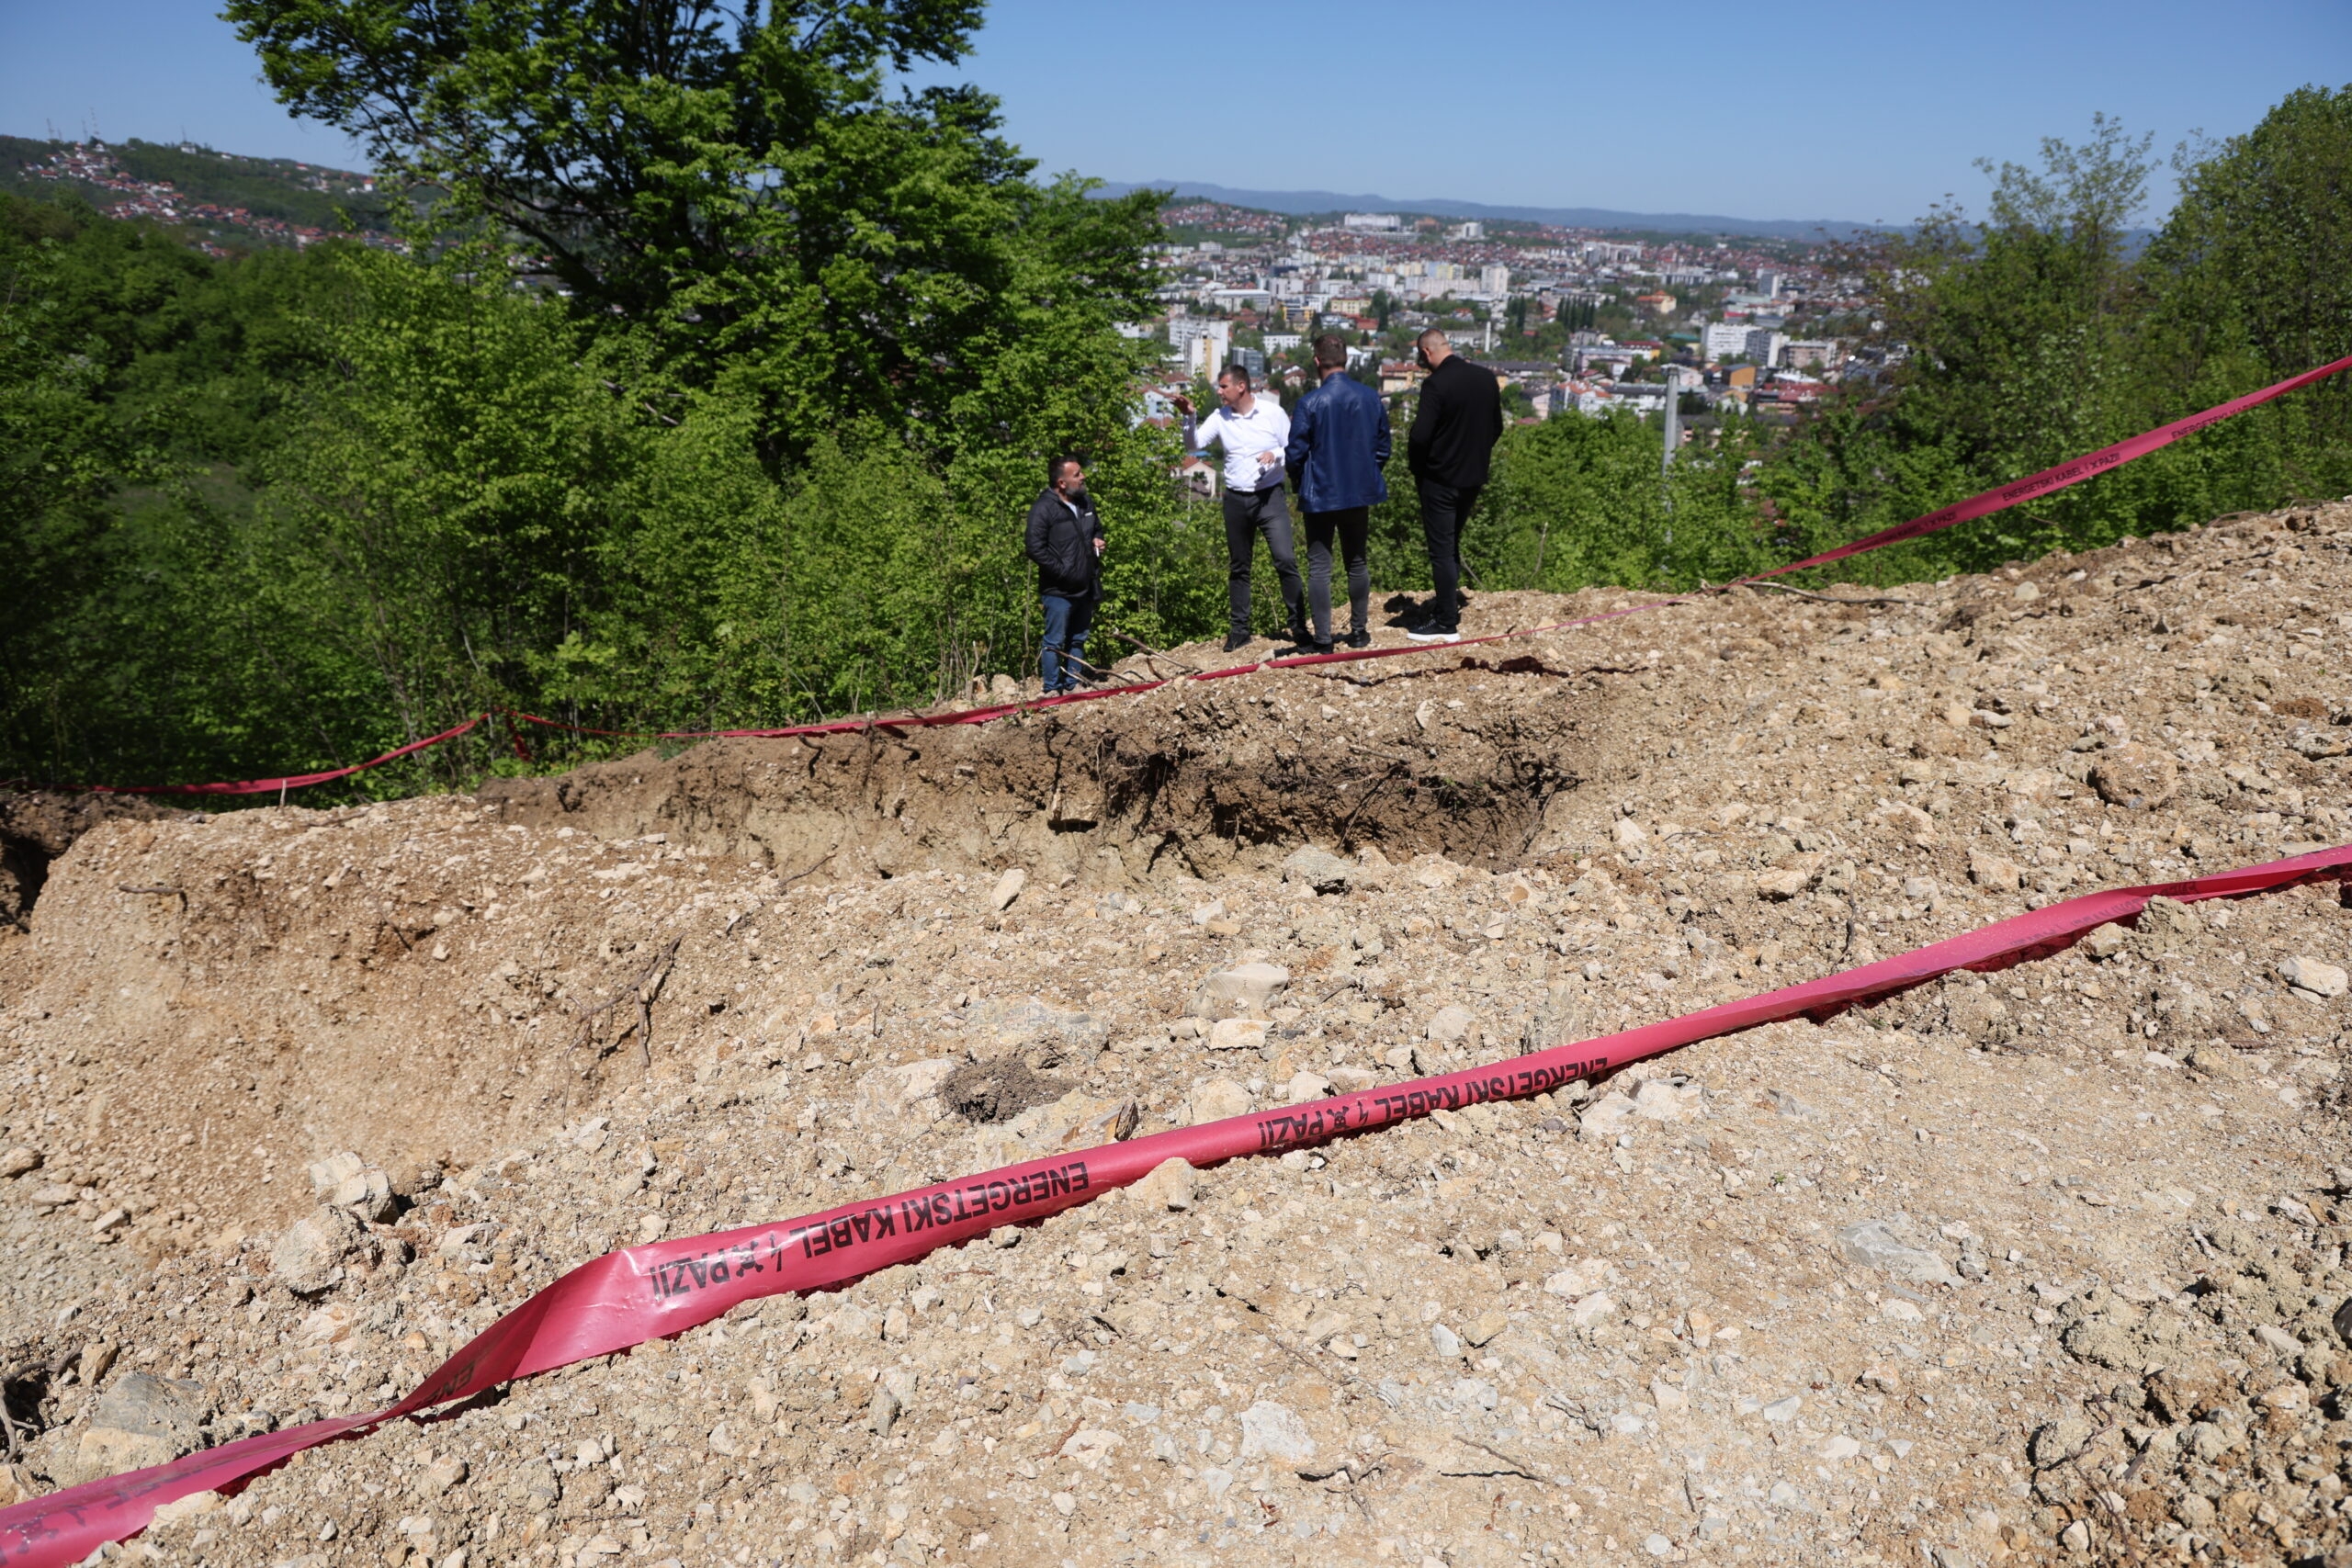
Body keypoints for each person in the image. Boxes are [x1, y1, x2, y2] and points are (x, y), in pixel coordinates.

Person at [1172, 366, 1309, 653]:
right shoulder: (1220, 417)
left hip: (1270, 498)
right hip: (1235, 499)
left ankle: (1299, 626)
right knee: (1239, 567)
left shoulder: (1273, 413)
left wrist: (1277, 454)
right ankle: (1239, 631)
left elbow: (1294, 447)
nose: (1219, 392)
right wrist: (1189, 416)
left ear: (1241, 387)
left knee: (1285, 559)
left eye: (1223, 387)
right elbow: (1193, 445)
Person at [1283, 333, 1390, 652]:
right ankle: (1358, 633)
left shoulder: (1310, 403)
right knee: (1357, 562)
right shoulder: (1370, 398)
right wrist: (1366, 476)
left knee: (1320, 567)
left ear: (1317, 361)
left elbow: (1295, 454)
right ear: (1346, 359)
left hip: (1320, 496)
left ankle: (1324, 640)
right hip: (1359, 493)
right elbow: (1383, 448)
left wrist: (1300, 482)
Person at [1405, 328, 1504, 643]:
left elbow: (1420, 436)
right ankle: (1447, 605)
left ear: (1426, 353)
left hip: (1440, 479)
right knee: (1452, 543)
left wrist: (1418, 467)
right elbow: (1496, 426)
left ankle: (1446, 622)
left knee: (1441, 550)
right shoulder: (1485, 378)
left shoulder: (1435, 384)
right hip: (1473, 477)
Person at [1023, 455, 1103, 694]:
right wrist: (1063, 571)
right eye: (1077, 474)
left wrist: (1097, 540)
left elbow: (1096, 528)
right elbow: (1034, 548)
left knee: (1078, 638)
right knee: (1054, 642)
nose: (1083, 477)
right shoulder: (1044, 508)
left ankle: (1073, 684)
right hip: (1058, 590)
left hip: (1086, 585)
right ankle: (1051, 688)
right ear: (1061, 482)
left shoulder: (1085, 503)